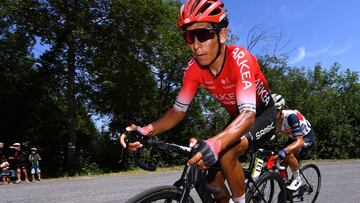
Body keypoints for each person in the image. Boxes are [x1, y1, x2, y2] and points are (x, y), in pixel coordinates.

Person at [120, 1, 277, 202]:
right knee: (211, 183)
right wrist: (145, 130)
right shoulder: (193, 69)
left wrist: (216, 143)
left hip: (262, 114)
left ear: (222, 35)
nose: (195, 45)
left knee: (227, 154)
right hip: (236, 117)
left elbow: (248, 115)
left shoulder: (240, 59)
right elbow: (178, 111)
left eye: (203, 34)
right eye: (189, 36)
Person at [272, 94, 316, 191]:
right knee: (280, 161)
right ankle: (285, 184)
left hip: (306, 137)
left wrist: (285, 150)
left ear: (281, 109)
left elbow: (299, 142)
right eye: (270, 111)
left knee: (288, 153)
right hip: (293, 137)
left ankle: (297, 180)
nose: (272, 114)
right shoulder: (272, 119)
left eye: (275, 111)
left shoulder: (291, 116)